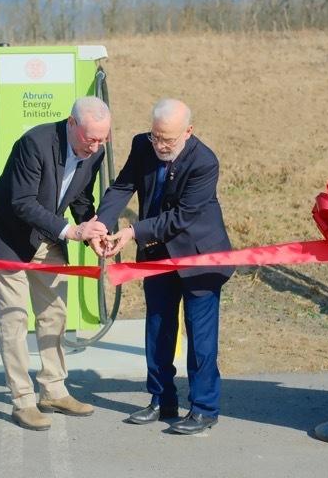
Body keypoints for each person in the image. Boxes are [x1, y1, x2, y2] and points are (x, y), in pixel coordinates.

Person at [91, 98, 234, 435]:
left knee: (201, 339)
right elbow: (123, 185)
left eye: (168, 139)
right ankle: (161, 399)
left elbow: (181, 217)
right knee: (158, 329)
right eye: (156, 136)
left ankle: (203, 408)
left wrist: (131, 232)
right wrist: (101, 223)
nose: (160, 145)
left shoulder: (204, 162)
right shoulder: (143, 145)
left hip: (198, 257)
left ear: (188, 132)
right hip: (156, 255)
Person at [0, 96, 111, 431]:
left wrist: (92, 230)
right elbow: (22, 202)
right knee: (15, 317)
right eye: (90, 138)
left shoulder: (96, 152)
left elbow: (80, 197)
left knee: (54, 313)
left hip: (46, 234)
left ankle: (53, 389)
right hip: (6, 234)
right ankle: (22, 400)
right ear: (71, 124)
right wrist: (71, 230)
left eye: (102, 139)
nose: (95, 147)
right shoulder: (34, 143)